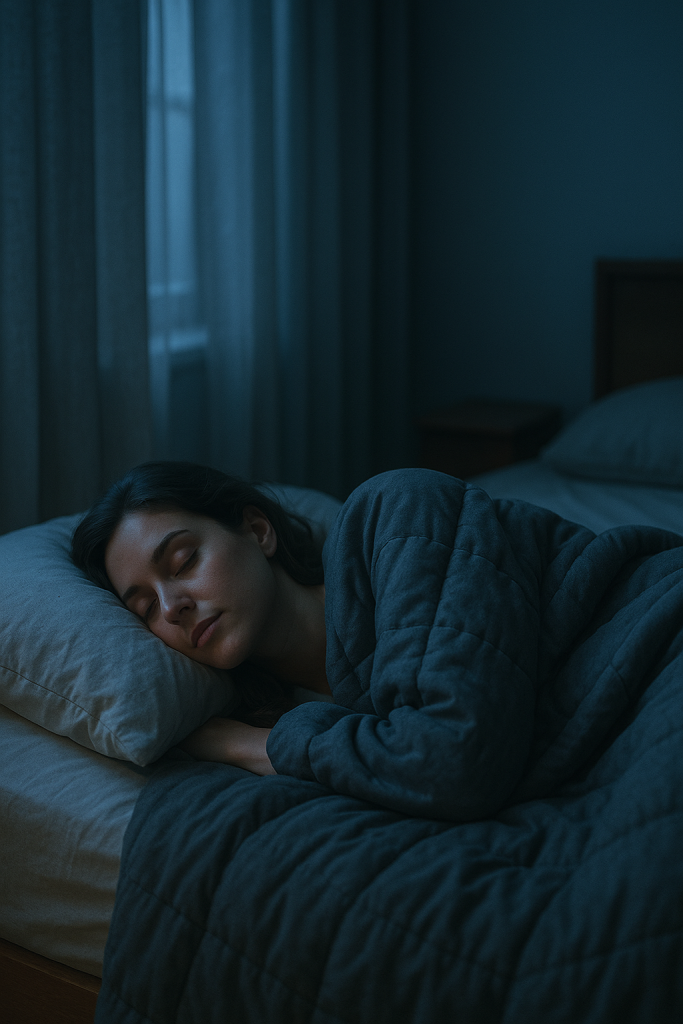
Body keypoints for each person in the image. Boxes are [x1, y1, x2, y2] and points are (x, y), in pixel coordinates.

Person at [71, 461, 330, 777]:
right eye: (147, 607)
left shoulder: (385, 528)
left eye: (184, 562)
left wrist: (239, 744)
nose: (170, 609)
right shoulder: (289, 713)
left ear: (258, 530)